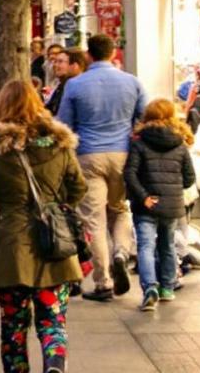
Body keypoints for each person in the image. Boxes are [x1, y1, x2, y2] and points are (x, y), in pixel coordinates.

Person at [0, 81, 86, 373]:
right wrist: (58, 207)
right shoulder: (59, 143)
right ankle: (55, 362)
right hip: (54, 247)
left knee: (13, 326)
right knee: (53, 319)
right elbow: (78, 186)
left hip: (11, 249)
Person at [56, 34, 148, 301]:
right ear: (113, 53)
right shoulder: (132, 82)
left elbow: (64, 125)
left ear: (88, 55)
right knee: (119, 209)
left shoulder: (75, 85)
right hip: (122, 154)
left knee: (93, 218)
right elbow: (143, 118)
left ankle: (103, 281)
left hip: (88, 155)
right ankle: (121, 251)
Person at [124, 98, 196, 311]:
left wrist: (143, 196)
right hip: (172, 204)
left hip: (146, 204)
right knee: (167, 245)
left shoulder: (139, 142)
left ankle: (150, 288)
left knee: (146, 246)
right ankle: (167, 288)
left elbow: (130, 173)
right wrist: (173, 190)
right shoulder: (180, 144)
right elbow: (189, 178)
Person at [44, 49, 87, 115]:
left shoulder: (79, 88)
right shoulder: (61, 86)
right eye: (55, 62)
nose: (55, 65)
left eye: (60, 62)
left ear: (75, 66)